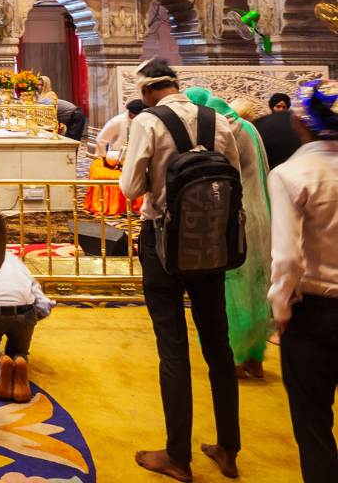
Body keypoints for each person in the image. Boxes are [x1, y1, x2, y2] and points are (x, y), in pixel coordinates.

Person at [120, 58, 241, 482]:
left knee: (173, 348)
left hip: (163, 244)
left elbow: (131, 188)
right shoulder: (217, 120)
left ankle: (177, 456)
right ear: (175, 83)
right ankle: (228, 448)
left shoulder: (148, 122)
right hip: (212, 243)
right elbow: (234, 179)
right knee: (218, 345)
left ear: (146, 91)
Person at [268, 80, 338, 483]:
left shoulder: (292, 173)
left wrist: (280, 309)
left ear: (300, 122)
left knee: (314, 425)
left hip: (314, 312)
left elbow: (288, 258)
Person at [185, 88, 273, 380]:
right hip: (260, 214)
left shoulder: (221, 129)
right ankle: (255, 358)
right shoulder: (247, 126)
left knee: (229, 290)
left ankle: (232, 357)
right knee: (255, 288)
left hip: (233, 218)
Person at [0, 246, 53, 403]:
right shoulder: (16, 261)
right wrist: (35, 317)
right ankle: (20, 360)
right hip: (25, 312)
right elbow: (41, 298)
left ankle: (0, 362)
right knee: (19, 350)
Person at [84, 99, 145, 216]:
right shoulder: (117, 122)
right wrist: (104, 159)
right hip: (117, 156)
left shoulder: (142, 121)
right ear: (132, 113)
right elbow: (101, 140)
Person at [253, 93, 302, 170]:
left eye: (284, 107)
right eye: (278, 107)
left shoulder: (294, 124)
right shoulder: (263, 123)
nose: (281, 110)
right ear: (272, 107)